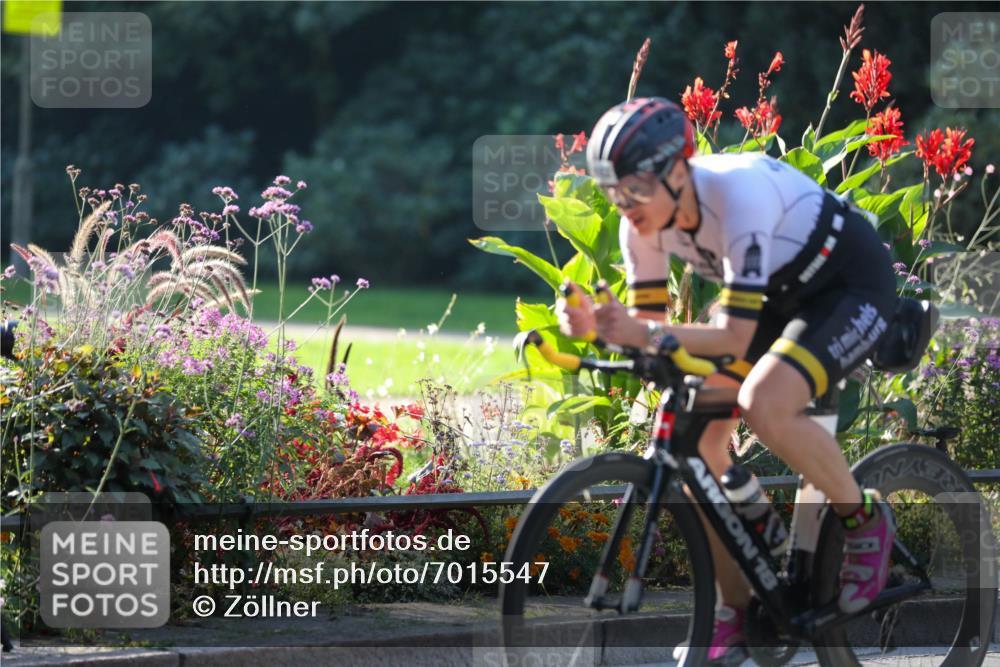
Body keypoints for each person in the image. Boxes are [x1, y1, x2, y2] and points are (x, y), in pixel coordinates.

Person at [557, 97, 897, 664]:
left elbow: (732, 340)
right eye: (614, 192)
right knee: (695, 450)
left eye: (635, 188)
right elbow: (657, 334)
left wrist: (637, 333)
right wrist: (601, 329)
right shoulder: (639, 231)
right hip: (774, 302)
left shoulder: (735, 196)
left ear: (677, 170)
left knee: (765, 403)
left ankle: (864, 517)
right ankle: (738, 613)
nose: (625, 205)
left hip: (846, 286)